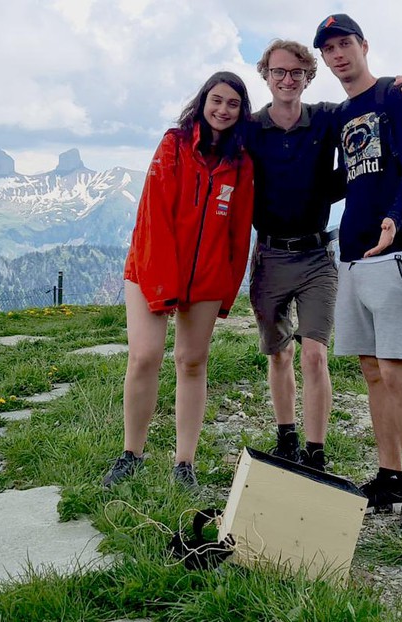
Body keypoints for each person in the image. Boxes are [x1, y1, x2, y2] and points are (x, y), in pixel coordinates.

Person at [248, 40, 402, 472]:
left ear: (308, 77)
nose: (287, 80)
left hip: (316, 255)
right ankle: (286, 434)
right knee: (278, 353)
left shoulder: (328, 117)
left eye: (296, 73)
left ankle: (315, 451)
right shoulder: (250, 128)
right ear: (266, 76)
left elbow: (372, 110)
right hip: (269, 254)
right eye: (278, 72)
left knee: (314, 353)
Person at [103, 71, 255, 491]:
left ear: (241, 112)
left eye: (233, 104)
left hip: (206, 276)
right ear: (203, 101)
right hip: (151, 268)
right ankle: (131, 453)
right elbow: (154, 216)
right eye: (217, 100)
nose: (223, 110)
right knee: (145, 355)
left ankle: (183, 463)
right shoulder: (174, 143)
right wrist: (163, 287)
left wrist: (227, 290)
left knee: (192, 362)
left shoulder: (241, 163)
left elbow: (239, 232)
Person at [314, 14, 402, 532]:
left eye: (345, 44)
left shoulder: (396, 95)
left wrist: (395, 220)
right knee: (370, 370)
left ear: (364, 45)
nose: (338, 55)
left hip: (398, 250)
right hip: (354, 253)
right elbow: (345, 178)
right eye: (329, 49)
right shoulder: (342, 112)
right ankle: (388, 477)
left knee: (396, 372)